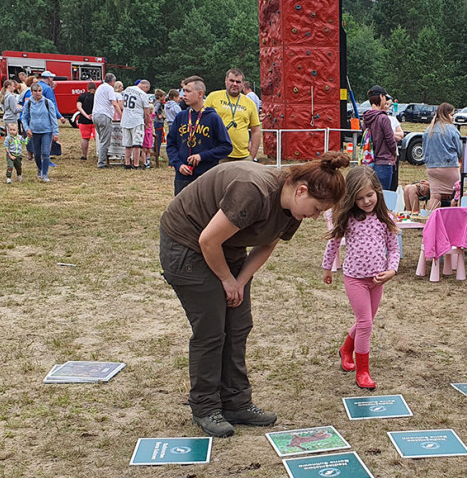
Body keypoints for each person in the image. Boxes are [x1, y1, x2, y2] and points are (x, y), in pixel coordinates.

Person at [159, 152, 350, 437]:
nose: (313, 217)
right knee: (212, 329)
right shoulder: (254, 190)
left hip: (227, 247)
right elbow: (208, 239)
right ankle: (205, 406)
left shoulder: (293, 207)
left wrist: (240, 281)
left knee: (238, 324)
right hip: (187, 243)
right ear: (301, 190)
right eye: (316, 209)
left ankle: (236, 402)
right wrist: (226, 279)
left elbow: (267, 244)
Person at [322, 166, 400, 390]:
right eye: (359, 198)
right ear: (351, 199)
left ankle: (346, 350)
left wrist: (391, 270)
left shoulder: (386, 219)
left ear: (377, 191)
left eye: (369, 195)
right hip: (354, 278)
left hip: (377, 280)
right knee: (365, 323)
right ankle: (362, 371)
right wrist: (327, 267)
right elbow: (334, 242)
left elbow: (394, 249)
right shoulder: (349, 219)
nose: (366, 201)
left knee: (365, 321)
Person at [165, 77, 232, 195]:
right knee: (182, 210)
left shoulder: (213, 118)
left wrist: (202, 156)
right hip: (183, 176)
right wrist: (178, 164)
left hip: (206, 175)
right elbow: (171, 144)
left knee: (205, 210)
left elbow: (226, 146)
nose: (183, 95)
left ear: (200, 93)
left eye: (188, 91)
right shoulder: (181, 117)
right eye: (183, 91)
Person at [206, 68, 262, 162]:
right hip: (217, 155)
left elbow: (256, 130)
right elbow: (201, 122)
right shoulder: (213, 97)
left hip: (242, 157)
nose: (235, 84)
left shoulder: (249, 103)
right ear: (226, 81)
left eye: (238, 82)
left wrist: (252, 156)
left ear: (242, 84)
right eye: (231, 80)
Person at [421, 103, 463, 211]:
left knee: (434, 196)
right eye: (452, 115)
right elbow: (460, 150)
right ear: (447, 114)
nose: (453, 118)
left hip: (431, 168)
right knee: (457, 194)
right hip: (449, 167)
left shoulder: (428, 129)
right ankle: (453, 219)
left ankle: (432, 221)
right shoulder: (451, 129)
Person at [23, 82, 61, 182]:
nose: (38, 93)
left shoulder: (48, 103)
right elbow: (24, 117)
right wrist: (27, 128)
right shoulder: (28, 103)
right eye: (35, 91)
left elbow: (53, 118)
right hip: (34, 132)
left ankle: (45, 174)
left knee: (45, 153)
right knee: (36, 153)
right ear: (31, 92)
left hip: (47, 131)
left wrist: (55, 132)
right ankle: (39, 168)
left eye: (39, 91)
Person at [362, 85, 397, 188]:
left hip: (369, 163)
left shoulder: (366, 118)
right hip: (384, 162)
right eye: (385, 98)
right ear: (381, 97)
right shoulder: (383, 118)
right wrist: (394, 153)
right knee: (384, 196)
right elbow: (390, 140)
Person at [120, 79, 151, 169]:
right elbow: (146, 112)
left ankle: (127, 163)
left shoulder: (127, 89)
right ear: (146, 87)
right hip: (136, 120)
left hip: (125, 119)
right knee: (136, 144)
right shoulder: (143, 94)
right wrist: (147, 123)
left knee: (127, 144)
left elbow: (122, 104)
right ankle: (136, 164)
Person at [92, 72, 119, 169]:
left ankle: (101, 159)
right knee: (105, 140)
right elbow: (114, 103)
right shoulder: (109, 88)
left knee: (101, 139)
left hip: (95, 115)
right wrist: (121, 115)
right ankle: (101, 163)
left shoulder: (100, 87)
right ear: (112, 81)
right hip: (104, 115)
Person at [76, 81, 96, 160]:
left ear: (87, 88)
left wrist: (86, 115)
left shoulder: (82, 96)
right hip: (95, 120)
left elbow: (79, 107)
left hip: (84, 120)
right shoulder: (96, 96)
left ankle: (84, 155)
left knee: (85, 138)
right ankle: (100, 154)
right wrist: (93, 114)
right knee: (97, 138)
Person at [152, 88, 167, 164]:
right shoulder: (158, 103)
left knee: (159, 138)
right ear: (160, 96)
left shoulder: (156, 103)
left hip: (158, 122)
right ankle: (156, 154)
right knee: (158, 139)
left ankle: (156, 153)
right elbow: (155, 111)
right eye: (163, 96)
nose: (164, 98)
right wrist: (159, 116)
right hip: (158, 123)